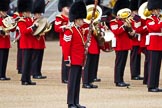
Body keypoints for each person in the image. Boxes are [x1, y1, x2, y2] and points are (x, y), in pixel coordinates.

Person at [62, 1, 87, 108]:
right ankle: (70, 102)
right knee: (72, 82)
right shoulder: (70, 30)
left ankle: (76, 102)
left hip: (79, 59)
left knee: (77, 82)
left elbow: (81, 43)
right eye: (81, 19)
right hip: (73, 59)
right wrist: (67, 58)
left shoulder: (80, 30)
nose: (83, 21)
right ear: (76, 19)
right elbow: (65, 46)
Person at [110, 0, 131, 87]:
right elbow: (116, 32)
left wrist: (131, 30)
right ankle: (118, 80)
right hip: (119, 45)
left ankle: (121, 79)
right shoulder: (113, 22)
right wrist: (124, 26)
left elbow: (129, 34)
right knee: (119, 63)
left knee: (123, 63)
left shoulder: (124, 21)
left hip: (125, 45)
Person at [17, 0, 37, 85]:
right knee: (25, 63)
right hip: (25, 44)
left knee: (29, 63)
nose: (29, 13)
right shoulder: (21, 21)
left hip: (31, 43)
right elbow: (24, 31)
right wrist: (33, 27)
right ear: (24, 12)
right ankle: (24, 79)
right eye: (28, 12)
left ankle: (28, 79)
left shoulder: (29, 19)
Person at [54, 0, 73, 84]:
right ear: (62, 8)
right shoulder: (59, 17)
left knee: (71, 58)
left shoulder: (71, 17)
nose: (69, 9)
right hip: (64, 40)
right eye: (67, 7)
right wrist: (65, 27)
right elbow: (56, 28)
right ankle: (64, 77)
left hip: (72, 40)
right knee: (65, 58)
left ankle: (69, 76)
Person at [145, 0, 162, 92]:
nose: (159, 11)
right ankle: (151, 86)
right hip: (154, 45)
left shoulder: (159, 19)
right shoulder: (149, 19)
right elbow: (155, 28)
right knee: (153, 66)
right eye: (157, 10)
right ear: (152, 10)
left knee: (157, 66)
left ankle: (155, 85)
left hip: (160, 45)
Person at [31, 0, 47, 79]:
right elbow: (32, 32)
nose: (39, 15)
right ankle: (34, 73)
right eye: (38, 14)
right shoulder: (32, 21)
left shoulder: (41, 20)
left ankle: (38, 72)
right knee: (35, 59)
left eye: (40, 14)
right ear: (35, 14)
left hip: (41, 42)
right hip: (35, 43)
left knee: (39, 59)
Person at [129, 0, 144, 80]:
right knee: (134, 57)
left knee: (138, 57)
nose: (136, 12)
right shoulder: (131, 19)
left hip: (138, 40)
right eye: (135, 11)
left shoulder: (137, 18)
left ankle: (137, 73)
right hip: (133, 41)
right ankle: (134, 74)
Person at [0, 0, 11, 81]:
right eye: (3, 11)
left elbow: (13, 29)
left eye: (5, 11)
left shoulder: (8, 18)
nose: (5, 12)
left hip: (6, 42)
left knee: (4, 60)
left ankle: (3, 74)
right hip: (0, 42)